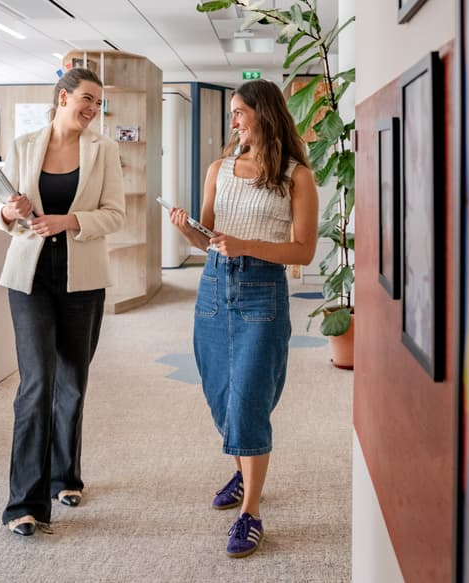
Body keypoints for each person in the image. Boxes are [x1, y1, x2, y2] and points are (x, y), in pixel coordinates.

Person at [165, 79, 319, 558]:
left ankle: (250, 511)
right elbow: (209, 238)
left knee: (250, 397)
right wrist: (187, 229)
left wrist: (246, 245)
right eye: (231, 113)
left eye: (238, 112)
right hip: (213, 285)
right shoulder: (219, 169)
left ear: (263, 114)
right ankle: (242, 467)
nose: (232, 121)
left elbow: (305, 250)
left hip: (262, 291)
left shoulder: (297, 176)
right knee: (220, 394)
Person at [0, 67, 126, 537]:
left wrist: (69, 221)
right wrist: (8, 210)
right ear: (63, 97)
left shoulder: (103, 150)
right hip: (30, 279)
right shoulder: (26, 144)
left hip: (82, 279)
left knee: (72, 381)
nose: (92, 109)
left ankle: (66, 475)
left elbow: (115, 215)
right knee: (37, 383)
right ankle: (24, 503)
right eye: (86, 99)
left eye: (98, 103)